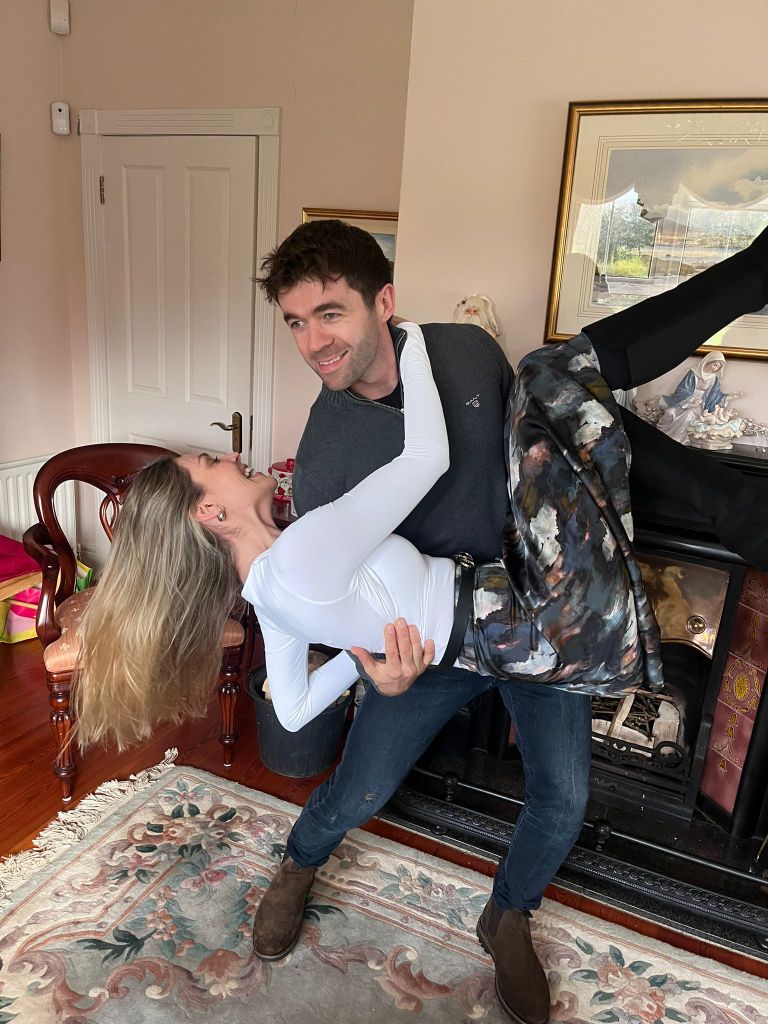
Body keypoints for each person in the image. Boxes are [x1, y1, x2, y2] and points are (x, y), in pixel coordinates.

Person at [73, 219, 768, 1024]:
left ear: (383, 304)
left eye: (328, 314)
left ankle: (508, 915)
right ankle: (297, 866)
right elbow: (337, 587)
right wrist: (370, 663)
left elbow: (558, 432)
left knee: (564, 798)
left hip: (521, 591)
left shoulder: (467, 356)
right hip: (433, 648)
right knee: (359, 786)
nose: (313, 343)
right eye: (296, 323)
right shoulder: (328, 453)